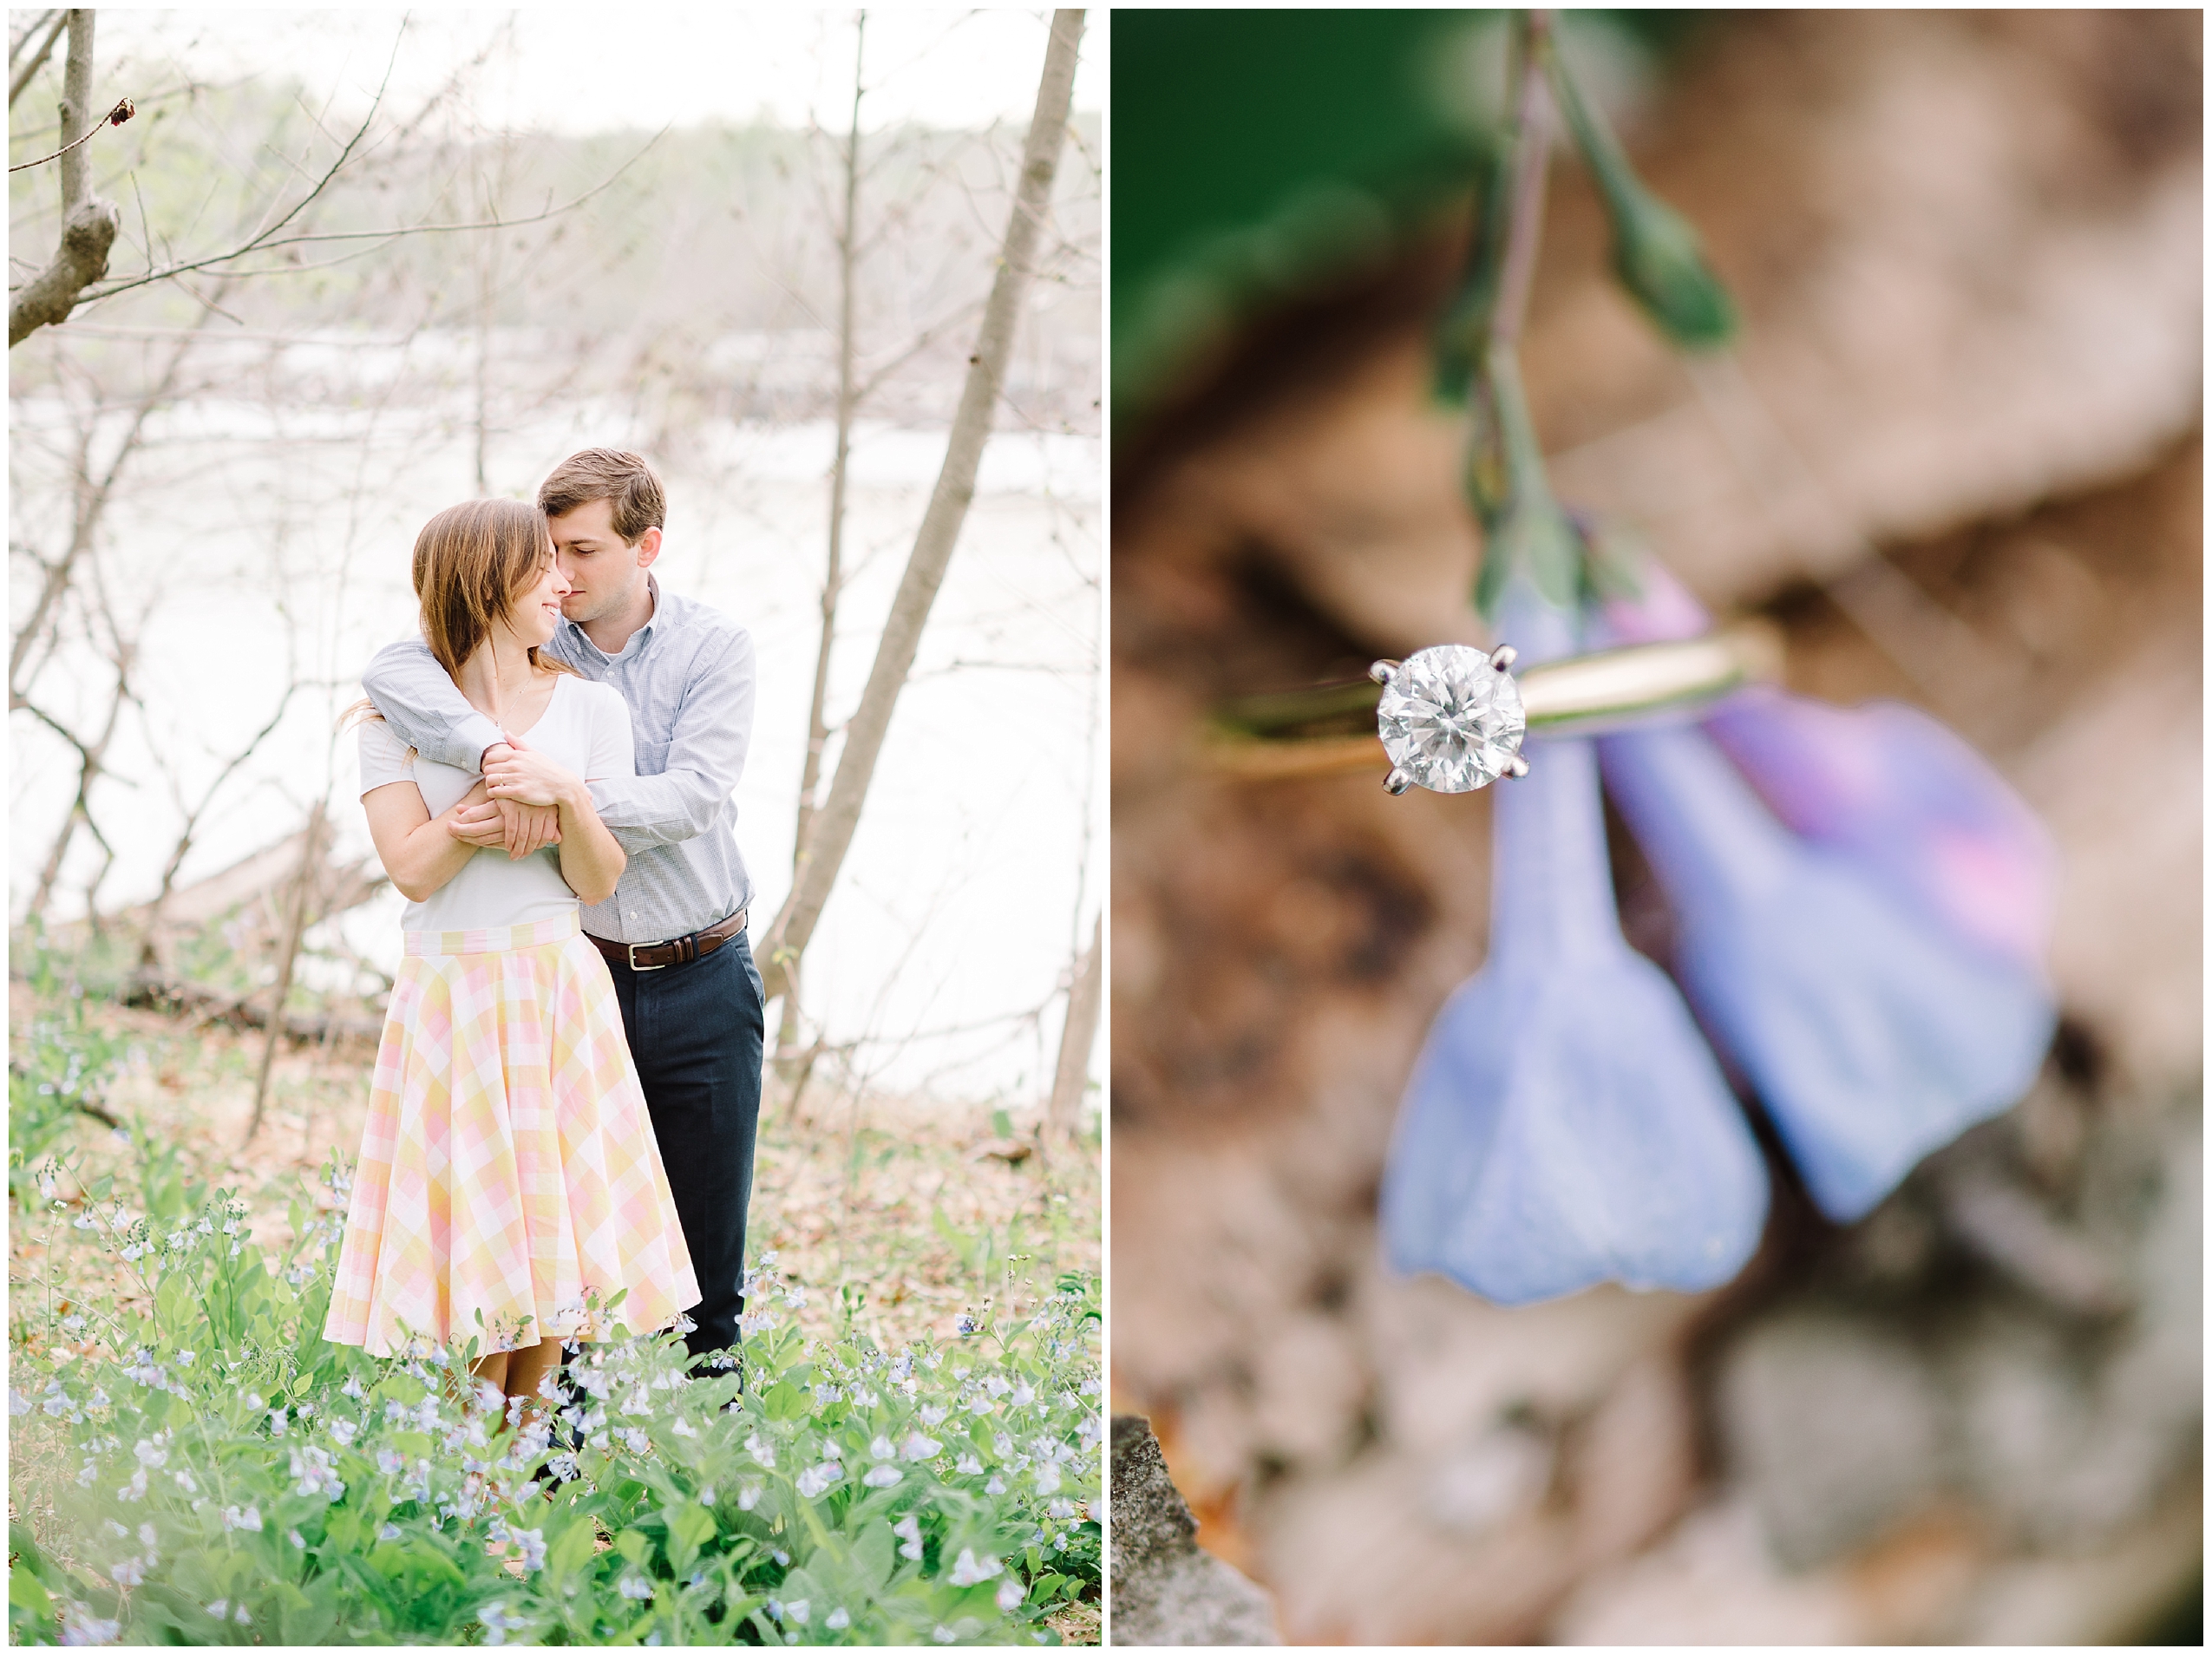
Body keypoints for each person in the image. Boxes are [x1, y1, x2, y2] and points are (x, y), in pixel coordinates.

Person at [361, 449, 764, 1373]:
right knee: (560, 1240)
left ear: (645, 547)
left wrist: (562, 797)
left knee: (701, 1256)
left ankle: (705, 1465)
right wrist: (501, 760)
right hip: (574, 971)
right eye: (547, 554)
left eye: (581, 552)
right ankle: (544, 1470)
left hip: (699, 969)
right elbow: (392, 670)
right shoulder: (532, 637)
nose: (561, 575)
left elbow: (695, 798)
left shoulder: (711, 647)